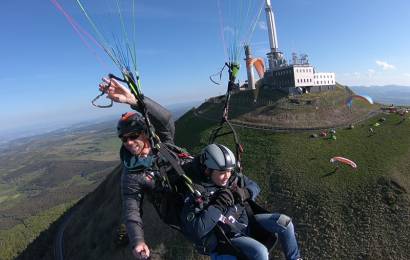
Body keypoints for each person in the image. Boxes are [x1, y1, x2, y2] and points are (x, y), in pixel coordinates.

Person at [99, 77, 195, 259]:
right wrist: (137, 240)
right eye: (124, 139)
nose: (128, 142)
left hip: (202, 193)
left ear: (145, 133)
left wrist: (134, 101)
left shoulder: (163, 143)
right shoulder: (131, 174)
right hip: (182, 214)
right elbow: (131, 209)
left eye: (133, 135)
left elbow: (165, 120)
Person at [180, 144, 302, 260]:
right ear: (207, 171)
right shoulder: (196, 191)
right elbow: (197, 229)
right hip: (227, 237)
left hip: (246, 222)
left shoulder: (230, 178)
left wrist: (244, 193)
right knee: (260, 251)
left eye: (229, 171)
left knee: (285, 223)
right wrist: (219, 204)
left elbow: (254, 186)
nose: (227, 175)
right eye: (222, 172)